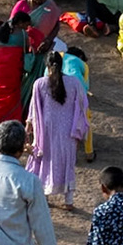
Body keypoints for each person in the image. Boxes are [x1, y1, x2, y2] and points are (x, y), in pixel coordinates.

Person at [26, 52, 90, 206]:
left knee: (45, 160)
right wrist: (81, 127)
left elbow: (35, 108)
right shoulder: (74, 82)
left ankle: (45, 197)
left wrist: (29, 125)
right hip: (68, 129)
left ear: (47, 66)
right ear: (62, 65)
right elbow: (83, 105)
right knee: (67, 162)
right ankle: (68, 201)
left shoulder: (39, 84)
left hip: (47, 129)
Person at [0, 20, 30, 130]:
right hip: (12, 69)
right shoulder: (23, 35)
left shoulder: (0, 31)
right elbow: (26, 51)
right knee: (12, 96)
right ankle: (12, 123)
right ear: (20, 23)